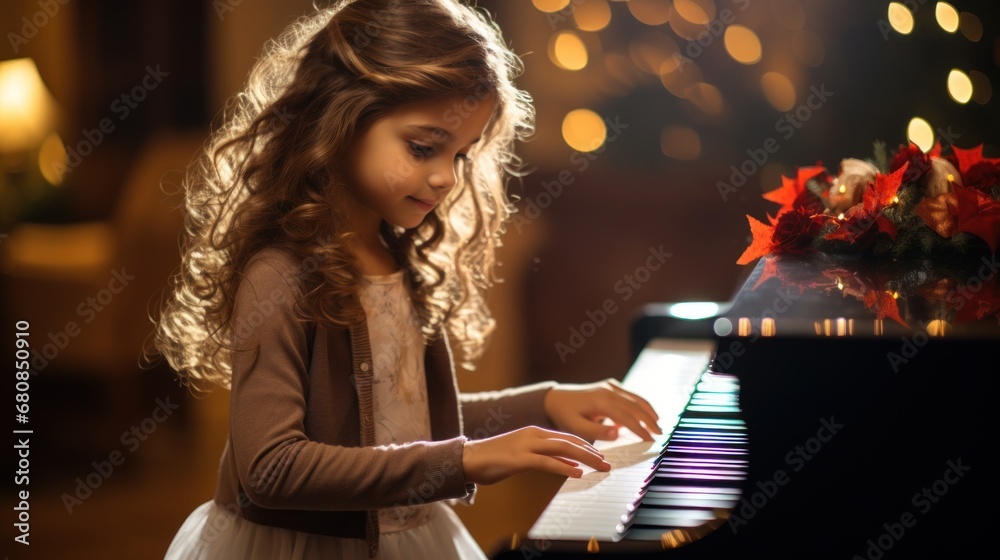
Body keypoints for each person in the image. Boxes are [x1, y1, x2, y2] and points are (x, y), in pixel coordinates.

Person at [150, 1, 661, 558]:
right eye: (423, 147)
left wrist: (546, 403)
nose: (445, 176)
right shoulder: (280, 276)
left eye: (462, 154)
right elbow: (269, 469)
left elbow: (400, 422)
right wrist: (465, 460)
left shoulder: (399, 260)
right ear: (339, 118)